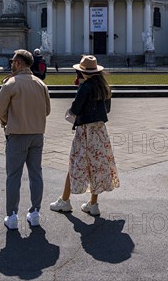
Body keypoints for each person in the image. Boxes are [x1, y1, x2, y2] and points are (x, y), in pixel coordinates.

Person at [50, 55, 120, 217]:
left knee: (75, 161)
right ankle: (93, 204)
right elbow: (107, 110)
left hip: (85, 130)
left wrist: (71, 112)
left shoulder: (86, 87)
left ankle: (65, 200)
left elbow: (76, 108)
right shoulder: (104, 86)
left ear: (83, 73)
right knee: (97, 164)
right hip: (100, 130)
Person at [0, 49, 51, 229]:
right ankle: (35, 213)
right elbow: (47, 111)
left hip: (17, 135)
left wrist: (10, 121)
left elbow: (0, 111)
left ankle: (12, 216)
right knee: (36, 174)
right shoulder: (40, 84)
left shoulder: (10, 84)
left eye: (13, 61)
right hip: (37, 135)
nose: (11, 63)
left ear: (18, 63)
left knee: (13, 176)